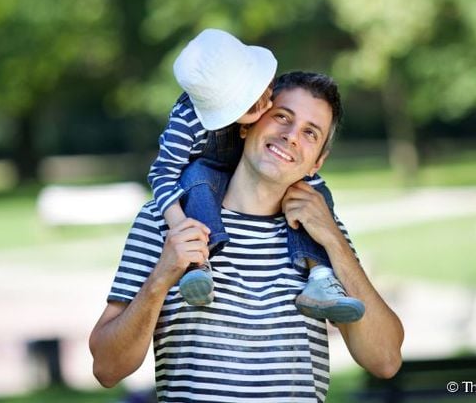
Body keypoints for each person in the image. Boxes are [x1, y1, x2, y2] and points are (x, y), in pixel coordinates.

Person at [90, 71, 404, 402]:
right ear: (247, 122)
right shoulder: (167, 219)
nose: (291, 136)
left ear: (318, 162)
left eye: (310, 133)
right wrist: (161, 278)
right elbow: (107, 369)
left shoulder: (321, 236)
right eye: (282, 116)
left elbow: (384, 360)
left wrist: (335, 241)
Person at [147, 29, 364, 322]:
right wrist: (179, 225)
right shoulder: (186, 123)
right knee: (195, 175)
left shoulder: (256, 97)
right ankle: (198, 265)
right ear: (235, 119)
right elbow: (162, 172)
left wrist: (332, 237)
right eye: (251, 105)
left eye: (263, 90)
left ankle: (320, 274)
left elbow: (384, 362)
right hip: (208, 179)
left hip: (258, 170)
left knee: (314, 193)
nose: (264, 103)